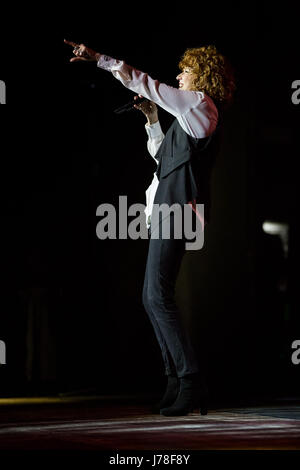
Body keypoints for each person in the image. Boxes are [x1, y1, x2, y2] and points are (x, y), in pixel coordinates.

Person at [64, 39, 235, 415]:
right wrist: (153, 121)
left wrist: (100, 59)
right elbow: (162, 157)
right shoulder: (187, 117)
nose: (178, 75)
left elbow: (145, 83)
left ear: (202, 75)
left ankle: (191, 380)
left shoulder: (200, 105)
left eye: (185, 70)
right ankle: (177, 379)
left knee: (158, 296)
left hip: (180, 211)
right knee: (151, 296)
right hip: (167, 209)